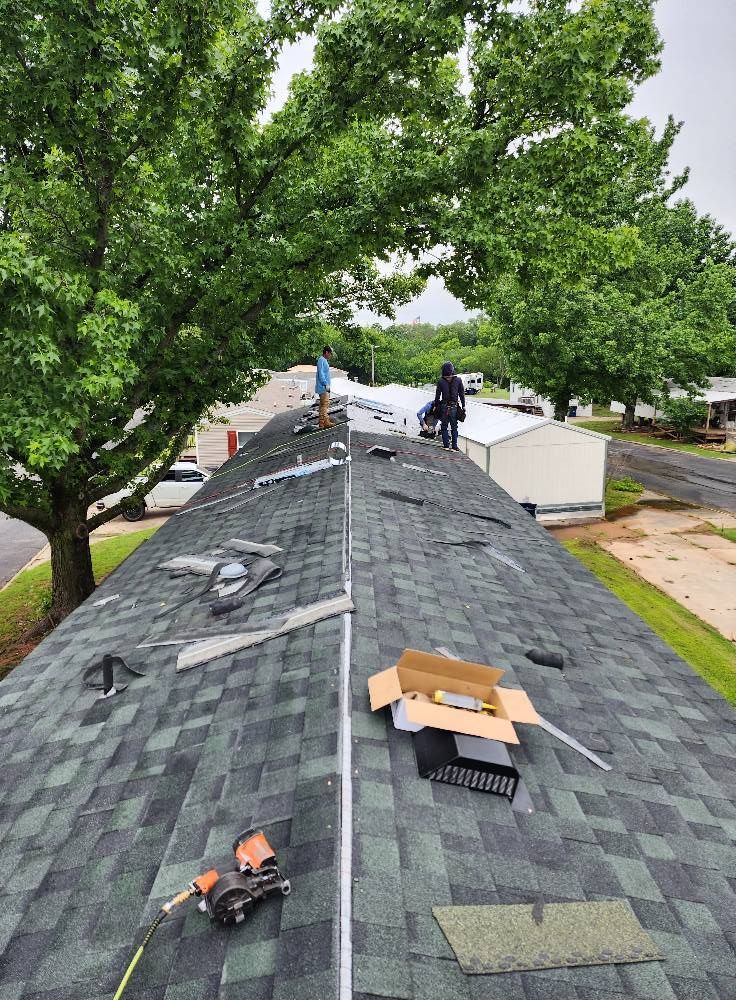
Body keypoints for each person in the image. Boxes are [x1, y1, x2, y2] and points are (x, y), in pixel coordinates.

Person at [433, 361, 465, 451]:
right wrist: (463, 406)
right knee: (454, 427)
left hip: (444, 406)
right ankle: (454, 446)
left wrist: (435, 405)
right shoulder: (458, 380)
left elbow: (437, 395)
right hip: (454, 406)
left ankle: (446, 445)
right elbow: (462, 394)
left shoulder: (441, 381)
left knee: (444, 426)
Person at [315, 345, 335, 429]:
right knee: (325, 405)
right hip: (323, 387)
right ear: (326, 352)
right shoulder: (321, 360)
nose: (330, 355)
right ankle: (325, 422)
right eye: (330, 353)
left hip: (323, 386)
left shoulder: (323, 360)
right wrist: (326, 384)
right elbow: (321, 374)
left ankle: (321, 423)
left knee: (322, 405)